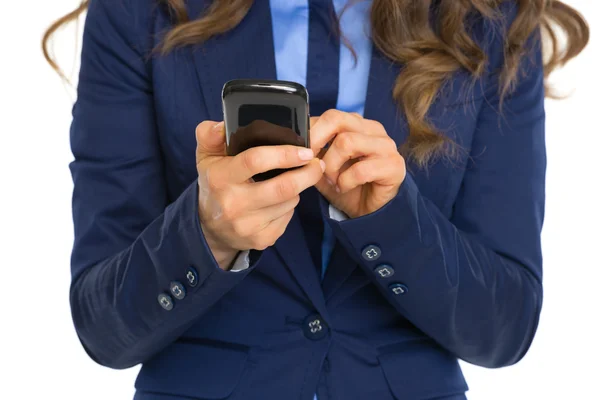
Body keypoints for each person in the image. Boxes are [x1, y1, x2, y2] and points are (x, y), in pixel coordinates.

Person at [43, 0, 588, 399]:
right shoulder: (139, 12)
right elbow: (103, 328)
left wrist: (391, 220)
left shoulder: (490, 19)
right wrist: (207, 234)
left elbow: (506, 325)